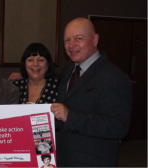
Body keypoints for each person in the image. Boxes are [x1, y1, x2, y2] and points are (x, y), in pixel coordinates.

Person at [50, 18, 132, 167]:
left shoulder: (114, 77)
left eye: (79, 38)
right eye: (67, 40)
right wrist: (26, 76)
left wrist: (70, 117)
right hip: (64, 159)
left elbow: (118, 126)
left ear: (95, 39)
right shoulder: (69, 68)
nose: (71, 45)